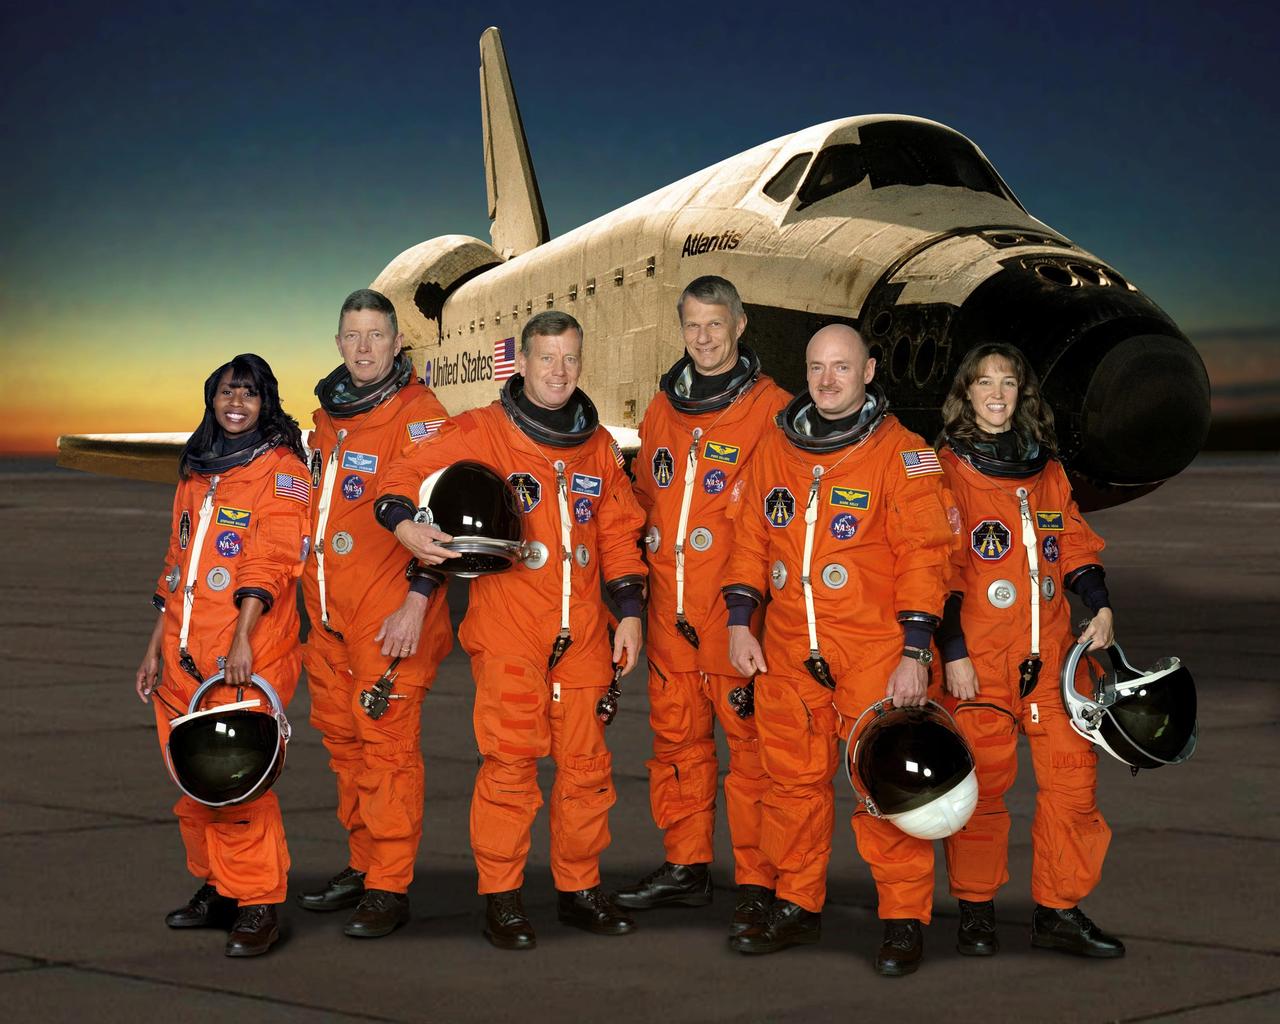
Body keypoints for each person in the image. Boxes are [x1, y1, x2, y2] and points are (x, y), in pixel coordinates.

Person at [374, 310, 646, 950]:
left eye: (570, 359)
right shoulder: (480, 431)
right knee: (510, 766)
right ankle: (502, 896)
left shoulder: (599, 446)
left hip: (582, 632)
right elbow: (398, 477)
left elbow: (619, 534)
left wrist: (630, 612)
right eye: (546, 359)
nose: (559, 372)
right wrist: (406, 525)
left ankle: (579, 889)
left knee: (586, 769)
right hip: (509, 629)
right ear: (520, 363)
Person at [722, 324, 955, 975]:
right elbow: (748, 537)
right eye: (818, 368)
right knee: (790, 786)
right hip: (789, 649)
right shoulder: (775, 445)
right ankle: (796, 904)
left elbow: (926, 558)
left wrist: (915, 650)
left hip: (876, 653)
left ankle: (904, 919)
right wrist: (741, 620)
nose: (827, 381)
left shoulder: (905, 455)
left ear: (870, 371)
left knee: (885, 788)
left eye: (842, 368)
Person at [613, 276, 789, 938]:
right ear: (681, 328)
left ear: (741, 325)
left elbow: (785, 515)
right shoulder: (663, 408)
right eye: (693, 325)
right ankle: (685, 866)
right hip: (667, 617)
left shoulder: (773, 411)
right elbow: (641, 497)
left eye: (717, 325)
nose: (705, 338)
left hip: (737, 620)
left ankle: (755, 880)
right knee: (677, 746)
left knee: (751, 756)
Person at [934, 343, 1123, 959]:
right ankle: (978, 912)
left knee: (1073, 784)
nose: (996, 394)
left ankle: (1058, 910)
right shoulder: (947, 471)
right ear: (966, 394)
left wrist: (1098, 604)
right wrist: (954, 651)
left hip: (1052, 663)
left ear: (1022, 395)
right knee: (980, 793)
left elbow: (1070, 543)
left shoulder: (1045, 472)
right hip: (978, 664)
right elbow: (936, 569)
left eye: (1008, 383)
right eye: (983, 383)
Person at [135, 354, 311, 957]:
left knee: (238, 784)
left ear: (267, 403)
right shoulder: (198, 470)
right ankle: (220, 886)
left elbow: (276, 561)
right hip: (184, 654)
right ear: (212, 400)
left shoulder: (284, 471)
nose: (237, 404)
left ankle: (259, 902)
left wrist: (242, 639)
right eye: (227, 394)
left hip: (243, 656)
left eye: (250, 395)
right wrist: (154, 647)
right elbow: (177, 563)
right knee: (194, 780)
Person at [296, 289, 455, 938]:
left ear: (396, 344)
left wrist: (418, 601)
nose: (363, 349)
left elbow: (442, 518)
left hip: (390, 620)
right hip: (329, 621)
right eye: (352, 336)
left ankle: (389, 887)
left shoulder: (420, 417)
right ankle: (363, 865)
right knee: (345, 749)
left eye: (376, 336)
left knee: (386, 753)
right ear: (339, 343)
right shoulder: (329, 424)